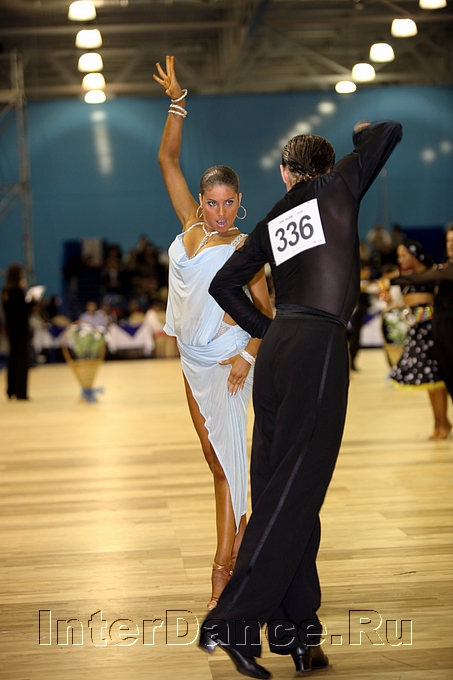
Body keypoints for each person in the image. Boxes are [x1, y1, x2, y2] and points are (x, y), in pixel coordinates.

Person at [198, 119, 402, 679]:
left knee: (283, 492)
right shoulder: (337, 186)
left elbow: (224, 285)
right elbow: (388, 131)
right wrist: (361, 133)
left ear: (287, 173)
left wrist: (266, 329)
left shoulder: (275, 217)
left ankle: (298, 635)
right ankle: (234, 621)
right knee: (295, 493)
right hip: (318, 348)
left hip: (279, 350)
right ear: (327, 168)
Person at [153, 56, 272, 610]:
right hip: (191, 361)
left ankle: (223, 571)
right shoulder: (190, 226)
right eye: (213, 203)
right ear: (200, 202)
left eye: (230, 203)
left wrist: (247, 356)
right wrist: (178, 104)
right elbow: (167, 159)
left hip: (227, 363)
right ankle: (244, 545)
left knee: (226, 463)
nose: (221, 212)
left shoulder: (246, 248)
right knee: (213, 458)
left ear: (239, 203)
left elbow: (265, 314)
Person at [381, 229, 453, 438]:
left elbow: (432, 304)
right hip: (421, 332)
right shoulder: (411, 279)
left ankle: (442, 422)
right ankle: (439, 423)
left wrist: (419, 314)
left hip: (433, 332)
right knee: (430, 380)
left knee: (437, 380)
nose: (400, 260)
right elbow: (398, 301)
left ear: (415, 256)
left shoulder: (433, 275)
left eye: (404, 255)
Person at [2, 263, 34, 400]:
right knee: (22, 359)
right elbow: (24, 309)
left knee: (13, 358)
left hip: (11, 327)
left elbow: (7, 309)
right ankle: (21, 392)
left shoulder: (6, 289)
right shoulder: (17, 289)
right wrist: (32, 300)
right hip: (21, 327)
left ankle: (11, 390)